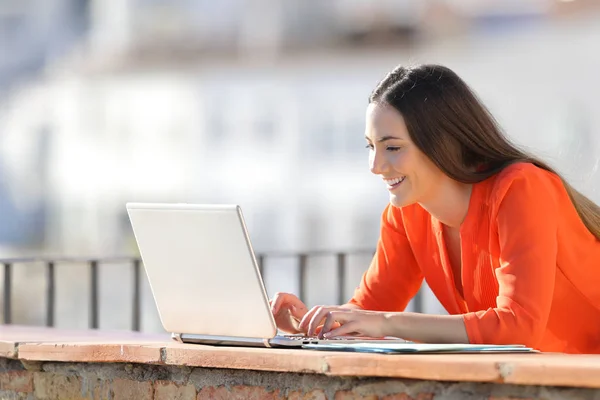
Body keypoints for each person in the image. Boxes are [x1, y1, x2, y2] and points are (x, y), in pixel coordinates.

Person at [270, 64, 600, 354]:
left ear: (442, 143)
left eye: (393, 147)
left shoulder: (521, 187)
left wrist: (385, 323)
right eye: (371, 147)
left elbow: (518, 325)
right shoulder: (406, 213)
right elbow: (367, 311)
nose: (376, 166)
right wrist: (314, 323)